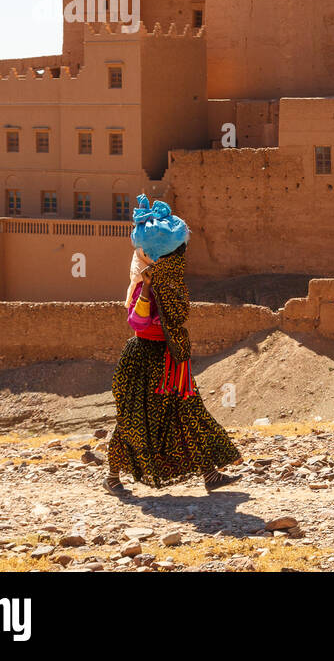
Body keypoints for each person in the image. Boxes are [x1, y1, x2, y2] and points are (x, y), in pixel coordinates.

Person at [104, 195, 242, 495]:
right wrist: (149, 289)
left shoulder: (170, 283)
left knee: (189, 410)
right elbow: (137, 323)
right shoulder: (145, 284)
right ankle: (113, 476)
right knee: (134, 418)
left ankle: (210, 473)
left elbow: (177, 316)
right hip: (145, 358)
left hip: (171, 359)